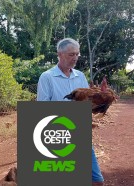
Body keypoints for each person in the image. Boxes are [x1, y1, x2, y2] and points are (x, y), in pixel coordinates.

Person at [37, 38, 104, 186]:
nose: (75, 58)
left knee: (97, 181)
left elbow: (88, 101)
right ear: (59, 54)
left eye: (77, 54)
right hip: (57, 134)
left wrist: (99, 103)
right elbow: (41, 109)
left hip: (79, 132)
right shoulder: (47, 77)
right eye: (71, 55)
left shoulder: (80, 76)